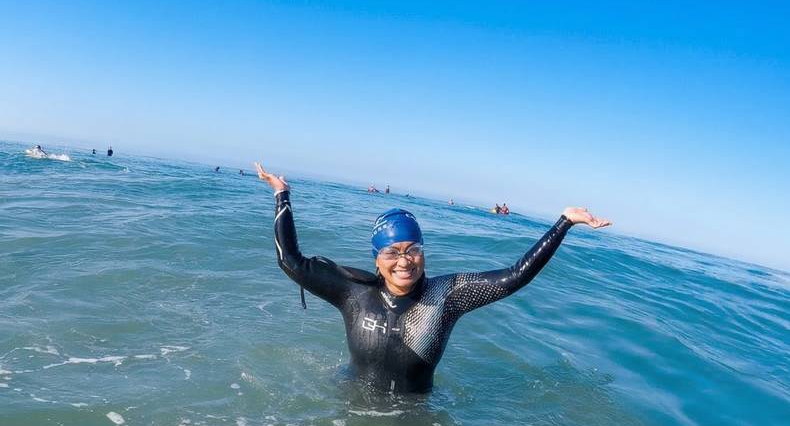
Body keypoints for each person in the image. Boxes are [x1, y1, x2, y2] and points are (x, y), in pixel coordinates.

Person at [255, 162, 611, 393]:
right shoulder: (353, 292)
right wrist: (281, 194)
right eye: (392, 252)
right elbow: (290, 261)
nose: (404, 261)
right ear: (377, 259)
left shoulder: (447, 296)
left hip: (413, 420)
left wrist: (564, 222)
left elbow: (516, 275)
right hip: (350, 405)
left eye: (413, 249)